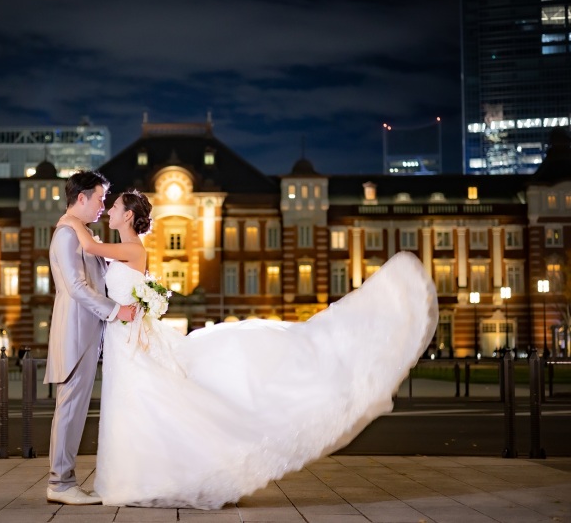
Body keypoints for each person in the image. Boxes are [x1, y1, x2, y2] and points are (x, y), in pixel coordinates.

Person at [58, 188, 439, 510]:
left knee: (143, 402)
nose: (107, 210)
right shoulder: (121, 248)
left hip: (129, 340)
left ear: (128, 216)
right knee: (136, 405)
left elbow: (88, 245)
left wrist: (71, 219)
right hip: (126, 339)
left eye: (114, 206)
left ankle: (146, 478)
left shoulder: (130, 249)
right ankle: (136, 478)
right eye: (106, 204)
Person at [44, 171, 136, 506]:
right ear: (81, 197)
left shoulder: (80, 233)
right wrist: (116, 311)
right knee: (69, 410)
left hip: (85, 334)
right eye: (99, 198)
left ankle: (63, 480)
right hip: (75, 334)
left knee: (74, 409)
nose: (102, 205)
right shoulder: (67, 234)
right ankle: (60, 482)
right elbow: (77, 287)